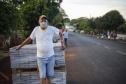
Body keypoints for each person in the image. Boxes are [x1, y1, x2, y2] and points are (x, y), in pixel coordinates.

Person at [13, 15, 65, 84]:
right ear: (39, 22)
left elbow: (60, 32)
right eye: (42, 20)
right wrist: (20, 46)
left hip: (50, 57)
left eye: (45, 20)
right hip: (40, 58)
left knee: (48, 76)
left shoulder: (51, 28)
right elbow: (29, 38)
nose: (43, 22)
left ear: (47, 22)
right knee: (42, 76)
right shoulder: (36, 29)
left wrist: (62, 42)